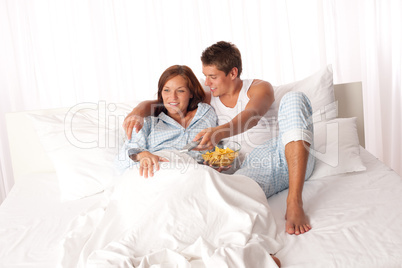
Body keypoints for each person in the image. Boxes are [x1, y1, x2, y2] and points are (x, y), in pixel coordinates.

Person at [123, 41, 315, 236]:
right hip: (248, 169)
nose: (207, 82)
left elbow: (252, 115)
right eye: (205, 76)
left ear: (232, 73)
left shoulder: (259, 88)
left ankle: (294, 200)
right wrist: (138, 110)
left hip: (287, 155)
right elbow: (170, 100)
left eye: (212, 77)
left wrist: (219, 132)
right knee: (224, 196)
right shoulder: (209, 96)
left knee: (294, 98)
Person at [116, 65, 217, 178]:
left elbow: (217, 148)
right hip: (158, 171)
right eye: (166, 90)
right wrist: (142, 155)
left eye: (180, 91)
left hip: (194, 173)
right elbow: (122, 161)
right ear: (161, 93)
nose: (172, 97)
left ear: (191, 93)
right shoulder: (148, 122)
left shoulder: (206, 113)